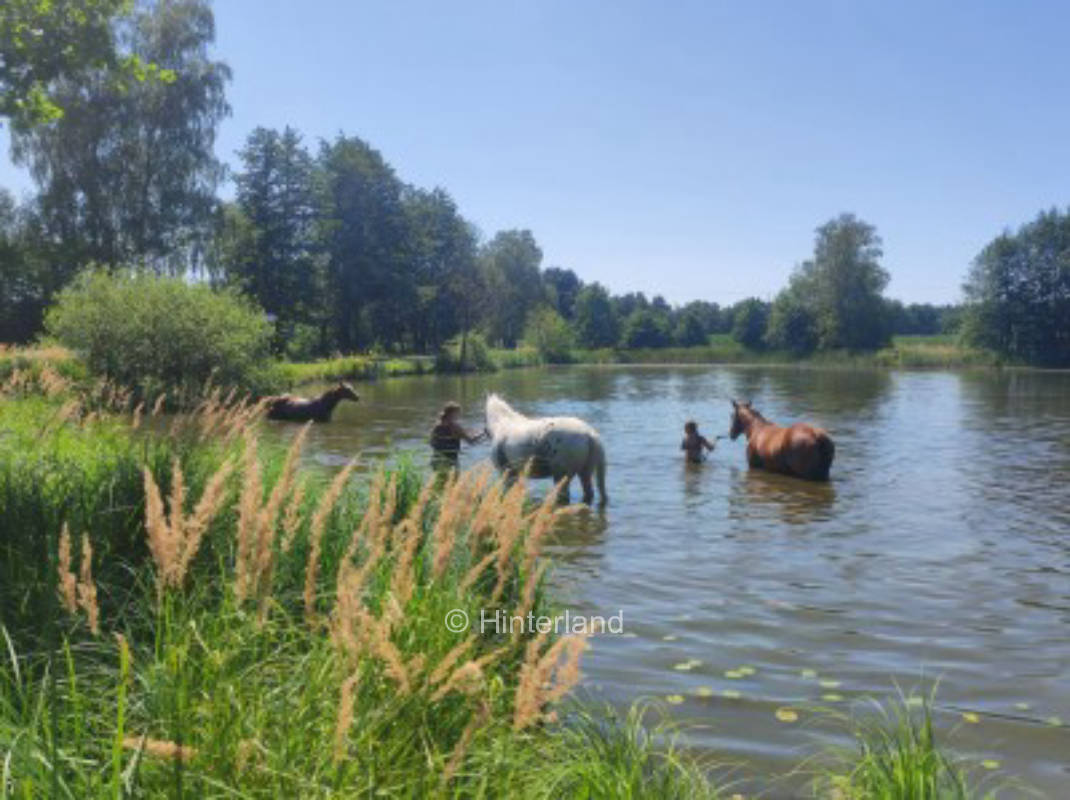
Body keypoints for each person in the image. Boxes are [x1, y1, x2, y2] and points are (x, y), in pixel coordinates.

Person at [430, 402, 486, 470]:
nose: (459, 415)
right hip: (451, 462)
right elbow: (471, 441)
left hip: (436, 460)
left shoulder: (437, 426)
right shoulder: (455, 427)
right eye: (458, 413)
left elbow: (432, 443)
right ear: (452, 414)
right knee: (452, 481)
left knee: (439, 480)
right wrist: (483, 433)